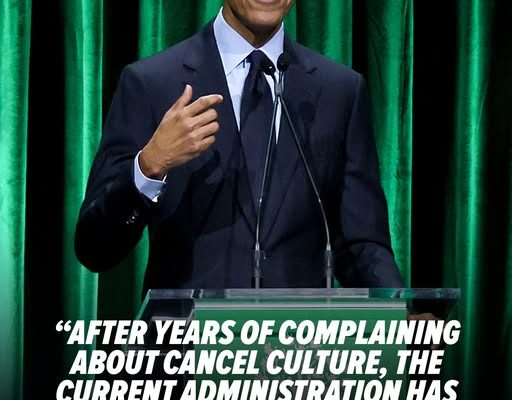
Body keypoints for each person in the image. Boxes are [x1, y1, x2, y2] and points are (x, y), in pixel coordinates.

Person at [75, 0, 404, 295]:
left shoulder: (340, 92)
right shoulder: (151, 84)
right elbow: (95, 249)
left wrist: (399, 312)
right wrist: (149, 167)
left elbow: (361, 245)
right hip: (187, 340)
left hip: (298, 340)